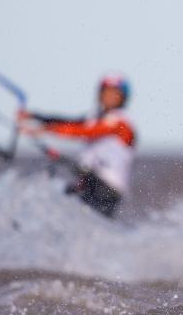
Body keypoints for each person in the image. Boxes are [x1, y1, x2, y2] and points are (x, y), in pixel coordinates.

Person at [18, 74, 136, 218]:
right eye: (106, 92)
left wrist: (44, 130)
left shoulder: (121, 123)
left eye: (114, 93)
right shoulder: (94, 118)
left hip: (107, 189)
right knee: (57, 201)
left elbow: (83, 131)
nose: (109, 96)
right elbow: (68, 122)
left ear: (123, 98)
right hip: (88, 180)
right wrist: (34, 116)